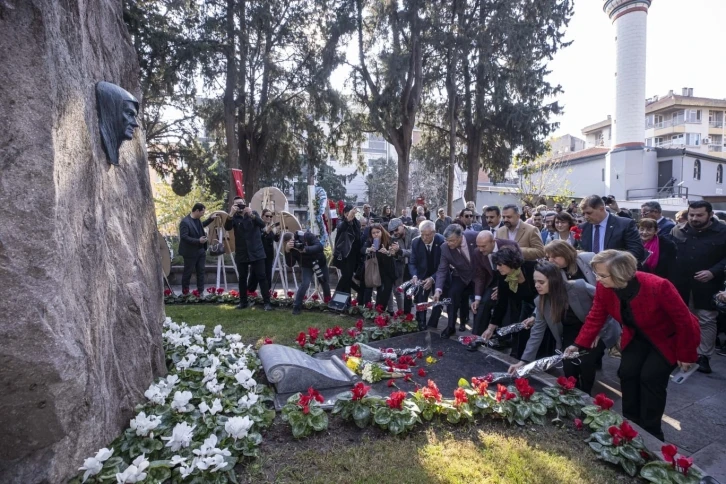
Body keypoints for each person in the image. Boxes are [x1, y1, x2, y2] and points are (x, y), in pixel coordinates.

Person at [564, 250, 700, 441]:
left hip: (667, 339)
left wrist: (687, 355)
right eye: (596, 274)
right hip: (636, 335)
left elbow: (685, 321)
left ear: (620, 274)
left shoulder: (658, 286)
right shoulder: (605, 287)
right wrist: (578, 344)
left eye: (602, 275)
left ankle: (652, 432)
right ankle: (631, 424)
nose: (597, 279)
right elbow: (596, 315)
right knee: (627, 373)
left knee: (650, 378)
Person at [508, 262, 619, 395]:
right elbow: (537, 332)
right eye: (535, 281)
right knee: (569, 366)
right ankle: (573, 395)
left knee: (586, 364)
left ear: (554, 281)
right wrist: (523, 361)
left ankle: (587, 395)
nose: (536, 285)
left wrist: (598, 332)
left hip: (594, 327)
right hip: (569, 331)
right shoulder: (541, 300)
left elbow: (607, 304)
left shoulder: (579, 286)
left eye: (541, 282)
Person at [670, 200, 726, 374]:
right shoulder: (678, 230)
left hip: (708, 284)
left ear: (710, 215)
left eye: (699, 215)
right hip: (681, 284)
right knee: (681, 318)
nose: (694, 218)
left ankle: (703, 357)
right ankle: (680, 353)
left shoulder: (723, 232)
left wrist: (713, 272)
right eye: (691, 214)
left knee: (706, 319)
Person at [482, 246, 541, 359]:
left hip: (538, 305)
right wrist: (490, 328)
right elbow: (501, 303)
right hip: (518, 306)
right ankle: (518, 358)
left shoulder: (531, 267)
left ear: (510, 262)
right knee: (518, 331)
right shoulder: (502, 275)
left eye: (500, 264)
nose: (497, 268)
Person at [224, 197, 273, 311]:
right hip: (242, 252)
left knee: (262, 276)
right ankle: (243, 302)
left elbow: (262, 225)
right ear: (233, 205)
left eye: (241, 204)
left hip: (256, 251)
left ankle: (267, 303)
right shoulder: (233, 217)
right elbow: (227, 227)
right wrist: (231, 213)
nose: (240, 206)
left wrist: (251, 215)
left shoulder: (253, 213)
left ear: (245, 204)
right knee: (242, 278)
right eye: (237, 204)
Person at [470, 231, 520, 336]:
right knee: (484, 302)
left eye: (483, 246)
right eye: (478, 246)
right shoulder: (477, 252)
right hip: (492, 281)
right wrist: (477, 298)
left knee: (507, 303)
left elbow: (518, 267)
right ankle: (477, 336)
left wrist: (503, 288)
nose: (480, 249)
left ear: (493, 241)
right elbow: (480, 276)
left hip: (511, 279)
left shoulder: (511, 245)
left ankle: (503, 338)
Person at [434, 224, 479, 338]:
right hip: (461, 275)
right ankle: (450, 327)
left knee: (480, 300)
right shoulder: (445, 247)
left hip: (479, 274)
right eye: (447, 240)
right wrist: (438, 289)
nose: (449, 244)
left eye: (452, 241)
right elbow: (442, 269)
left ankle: (478, 330)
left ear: (460, 237)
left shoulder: (475, 237)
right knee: (452, 295)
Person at [577, 195, 644, 263]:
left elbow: (636, 251)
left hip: (617, 270)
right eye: (583, 213)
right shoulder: (583, 228)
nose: (585, 216)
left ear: (601, 209)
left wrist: (611, 263)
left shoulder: (624, 225)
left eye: (589, 213)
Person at [409, 221, 448, 330]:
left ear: (434, 233)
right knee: (421, 297)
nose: (424, 238)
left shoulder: (442, 242)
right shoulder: (416, 242)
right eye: (422, 234)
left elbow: (444, 266)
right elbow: (412, 262)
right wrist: (414, 276)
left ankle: (433, 324)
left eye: (427, 235)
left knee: (438, 298)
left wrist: (432, 278)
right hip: (422, 274)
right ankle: (421, 322)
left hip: (439, 274)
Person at [284, 230, 331, 315]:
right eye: (289, 242)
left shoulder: (307, 235)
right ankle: (297, 307)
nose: (293, 243)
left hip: (320, 262)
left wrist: (305, 249)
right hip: (306, 265)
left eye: (293, 240)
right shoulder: (291, 248)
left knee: (325, 282)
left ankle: (328, 304)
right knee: (305, 284)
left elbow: (319, 246)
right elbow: (290, 264)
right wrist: (287, 251)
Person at [178, 203, 216, 294]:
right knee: (188, 273)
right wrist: (198, 240)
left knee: (201, 271)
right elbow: (184, 237)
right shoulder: (185, 222)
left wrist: (211, 219)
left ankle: (200, 291)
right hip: (190, 252)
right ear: (197, 211)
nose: (203, 214)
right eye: (202, 212)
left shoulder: (198, 220)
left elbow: (200, 225)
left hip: (201, 250)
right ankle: (185, 293)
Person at [362, 223, 398, 310]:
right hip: (375, 269)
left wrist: (388, 252)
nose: (376, 234)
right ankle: (370, 310)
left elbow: (396, 254)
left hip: (388, 270)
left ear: (382, 231)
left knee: (385, 292)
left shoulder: (390, 239)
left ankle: (380, 311)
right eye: (373, 233)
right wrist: (369, 249)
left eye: (378, 232)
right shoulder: (370, 241)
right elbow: (362, 249)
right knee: (374, 289)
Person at [389, 218, 420, 313]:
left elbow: (415, 252)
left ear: (402, 225)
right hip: (405, 267)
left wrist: (399, 251)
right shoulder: (394, 237)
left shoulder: (414, 232)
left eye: (396, 230)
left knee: (419, 293)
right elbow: (398, 256)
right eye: (392, 231)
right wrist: (394, 254)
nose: (395, 233)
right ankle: (406, 316)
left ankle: (420, 317)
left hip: (418, 266)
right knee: (407, 291)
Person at [248, 209, 280, 296]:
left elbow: (275, 239)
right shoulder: (258, 225)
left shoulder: (271, 227)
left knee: (268, 274)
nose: (269, 218)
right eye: (267, 216)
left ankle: (267, 294)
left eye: (270, 216)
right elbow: (258, 239)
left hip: (269, 255)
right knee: (254, 274)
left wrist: (277, 232)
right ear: (262, 216)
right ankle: (250, 292)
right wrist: (266, 232)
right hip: (259, 255)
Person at [332, 205, 361, 297]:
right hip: (343, 255)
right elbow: (341, 228)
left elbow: (357, 237)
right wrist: (348, 219)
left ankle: (345, 301)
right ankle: (337, 299)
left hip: (353, 255)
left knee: (347, 278)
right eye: (350, 212)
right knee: (346, 277)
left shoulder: (356, 223)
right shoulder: (342, 222)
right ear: (345, 213)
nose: (352, 215)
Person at [638, 218, 676, 283]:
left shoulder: (667, 245)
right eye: (642, 229)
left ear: (656, 231)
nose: (644, 232)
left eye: (649, 230)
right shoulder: (633, 243)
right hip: (639, 279)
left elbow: (671, 268)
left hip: (660, 280)